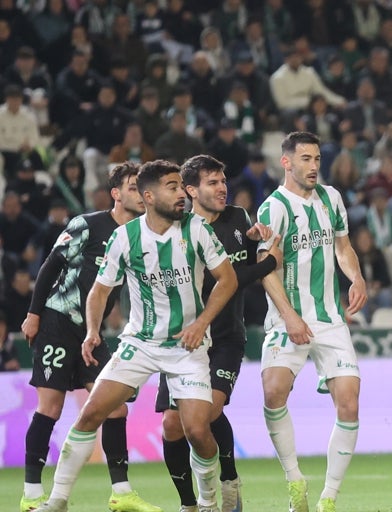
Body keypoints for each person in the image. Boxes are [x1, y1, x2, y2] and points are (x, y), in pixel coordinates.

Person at [35, 160, 239, 512]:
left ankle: (207, 502)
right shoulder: (125, 237)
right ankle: (57, 500)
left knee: (196, 430)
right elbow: (99, 291)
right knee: (90, 413)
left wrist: (201, 323)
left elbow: (228, 279)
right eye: (173, 187)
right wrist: (93, 331)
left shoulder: (196, 229)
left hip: (186, 347)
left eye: (181, 186)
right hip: (140, 343)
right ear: (149, 195)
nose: (181, 194)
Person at [20, 163, 158, 512]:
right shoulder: (87, 224)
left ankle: (122, 493)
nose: (139, 194)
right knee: (49, 407)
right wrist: (34, 315)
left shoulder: (141, 235)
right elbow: (50, 265)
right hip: (58, 322)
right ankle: (31, 494)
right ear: (116, 194)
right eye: (131, 187)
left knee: (115, 410)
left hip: (92, 334)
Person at [156, 155, 283, 512]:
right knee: (171, 425)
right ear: (191, 190)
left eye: (223, 180)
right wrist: (267, 263)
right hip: (183, 339)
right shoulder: (177, 229)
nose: (222, 188)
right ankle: (188, 504)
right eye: (212, 182)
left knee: (207, 413)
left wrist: (256, 243)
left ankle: (229, 481)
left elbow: (231, 281)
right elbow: (221, 280)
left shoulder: (239, 219)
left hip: (225, 336)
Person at [257, 132, 367, 512]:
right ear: (286, 162)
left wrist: (356, 277)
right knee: (273, 393)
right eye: (305, 159)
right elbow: (265, 269)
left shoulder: (331, 198)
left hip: (330, 319)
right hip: (287, 317)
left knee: (350, 403)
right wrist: (289, 317)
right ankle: (294, 481)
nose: (314, 165)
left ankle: (329, 498)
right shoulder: (273, 208)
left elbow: (342, 246)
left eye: (317, 158)